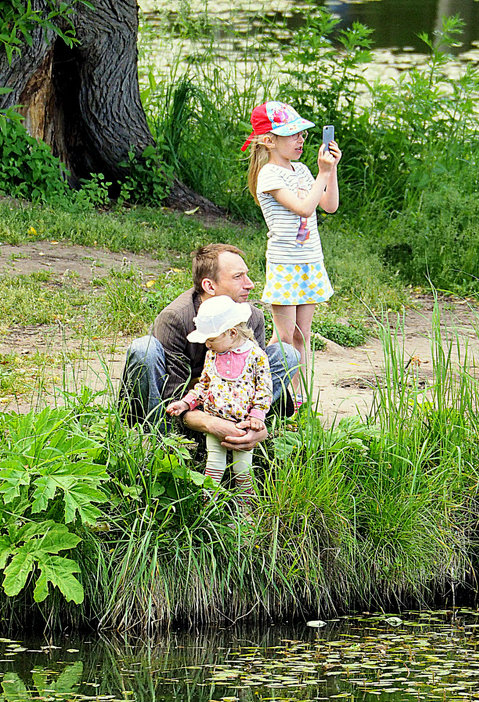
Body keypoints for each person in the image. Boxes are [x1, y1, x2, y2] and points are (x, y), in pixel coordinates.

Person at [121, 243, 299, 452]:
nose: (249, 284)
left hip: (235, 403)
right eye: (237, 277)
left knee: (287, 354)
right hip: (183, 405)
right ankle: (161, 439)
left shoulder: (252, 316)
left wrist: (257, 422)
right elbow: (172, 392)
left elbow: (256, 379)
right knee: (144, 350)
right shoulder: (175, 318)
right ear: (209, 286)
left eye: (247, 275)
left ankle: (249, 428)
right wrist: (209, 423)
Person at [241, 100, 342, 407]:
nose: (300, 139)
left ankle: (296, 397)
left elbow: (329, 206)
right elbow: (303, 207)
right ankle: (260, 385)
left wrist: (330, 171)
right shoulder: (269, 175)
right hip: (285, 265)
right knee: (284, 338)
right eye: (292, 134)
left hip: (309, 263)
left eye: (302, 133)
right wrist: (322, 175)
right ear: (268, 140)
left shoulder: (301, 170)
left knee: (301, 336)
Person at [165, 296, 272, 501]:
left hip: (243, 426)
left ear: (232, 333)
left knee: (242, 470)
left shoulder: (255, 355)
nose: (207, 344)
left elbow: (264, 388)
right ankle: (208, 507)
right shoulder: (213, 355)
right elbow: (204, 385)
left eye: (211, 339)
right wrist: (186, 402)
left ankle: (245, 508)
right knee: (213, 467)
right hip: (215, 420)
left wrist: (257, 415)